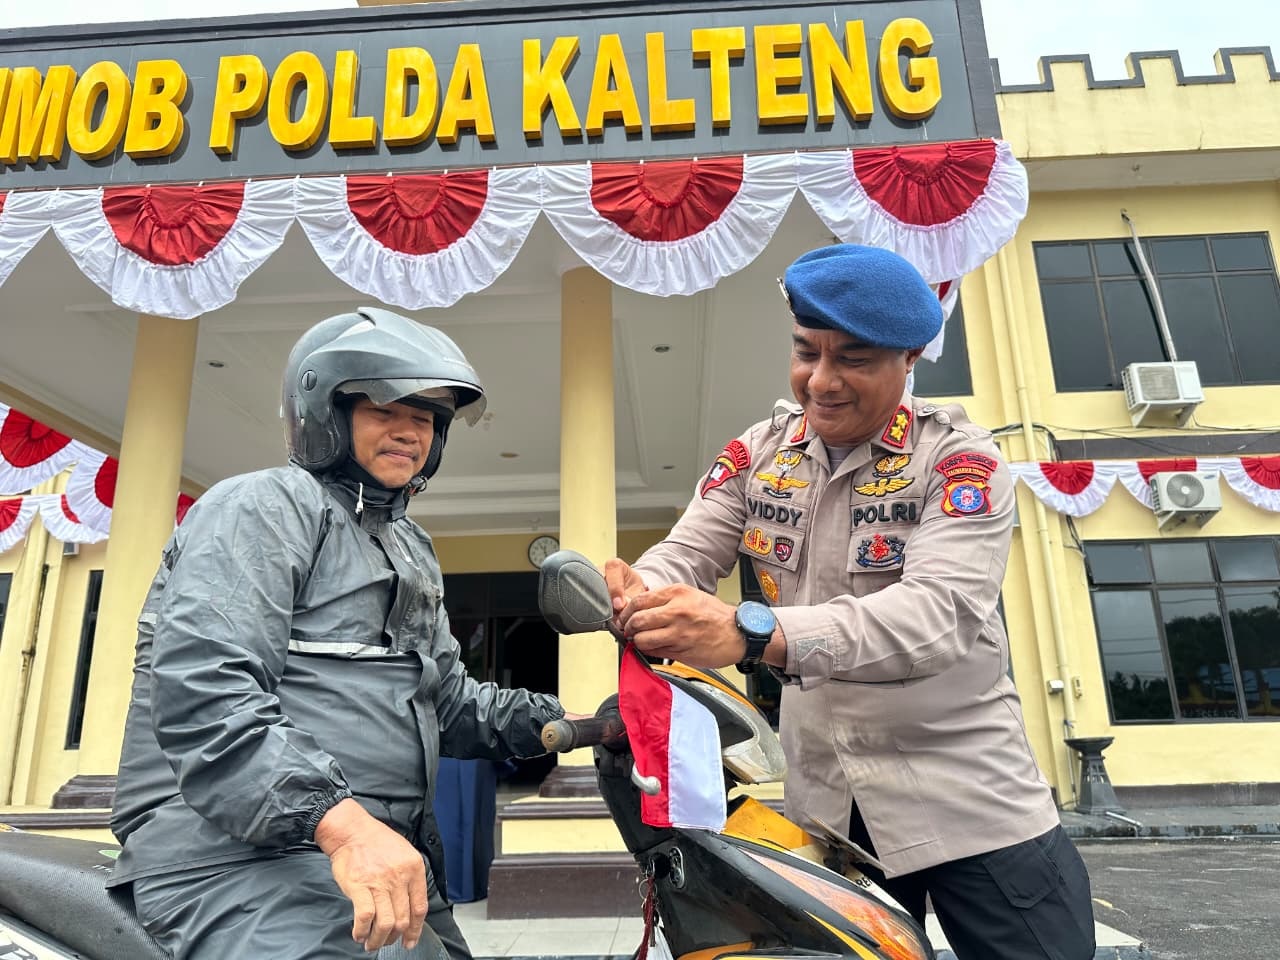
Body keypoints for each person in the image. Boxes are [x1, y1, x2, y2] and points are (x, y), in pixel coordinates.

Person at [605, 244, 1095, 960]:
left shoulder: (961, 464)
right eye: (807, 352)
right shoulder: (759, 454)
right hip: (832, 821)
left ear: (911, 359)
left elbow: (935, 617)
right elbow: (685, 553)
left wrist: (750, 633)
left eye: (855, 360)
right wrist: (641, 592)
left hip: (971, 815)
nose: (822, 381)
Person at [107, 307, 568, 960]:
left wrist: (578, 723)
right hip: (234, 853)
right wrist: (344, 828)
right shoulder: (262, 508)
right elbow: (206, 692)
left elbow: (448, 702)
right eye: (386, 408)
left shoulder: (408, 544)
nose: (412, 431)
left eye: (429, 417)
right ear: (326, 411)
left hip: (371, 848)